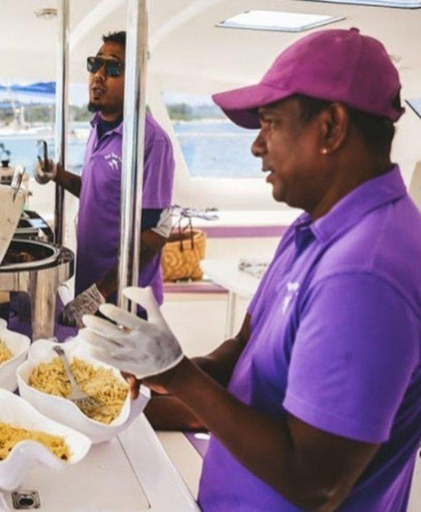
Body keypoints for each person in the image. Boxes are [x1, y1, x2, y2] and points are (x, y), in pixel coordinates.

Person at [81, 28, 420, 511]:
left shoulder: (366, 273)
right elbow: (243, 350)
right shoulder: (312, 228)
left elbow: (314, 483)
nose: (257, 146)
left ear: (331, 127)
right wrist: (158, 369)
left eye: (270, 123)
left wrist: (179, 376)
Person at [35, 31, 175, 327]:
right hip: (91, 289)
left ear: (136, 80)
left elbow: (154, 236)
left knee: (121, 376)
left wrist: (98, 293)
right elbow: (96, 193)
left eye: (113, 68)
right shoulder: (98, 128)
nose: (98, 75)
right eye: (94, 64)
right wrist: (57, 174)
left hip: (125, 305)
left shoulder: (151, 142)